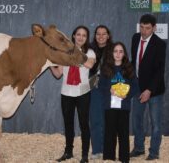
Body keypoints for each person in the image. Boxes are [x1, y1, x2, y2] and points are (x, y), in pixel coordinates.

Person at [50, 25, 96, 163]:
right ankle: (68, 152)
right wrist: (50, 62)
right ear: (74, 36)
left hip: (83, 93)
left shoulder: (90, 52)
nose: (81, 37)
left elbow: (89, 65)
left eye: (84, 35)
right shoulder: (64, 52)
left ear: (86, 38)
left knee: (84, 124)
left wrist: (74, 54)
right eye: (78, 34)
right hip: (66, 92)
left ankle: (84, 156)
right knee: (68, 124)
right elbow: (58, 74)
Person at [130, 14, 166, 160]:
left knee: (155, 123)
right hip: (137, 86)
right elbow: (134, 62)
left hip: (155, 90)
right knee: (136, 120)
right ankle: (139, 148)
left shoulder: (160, 44)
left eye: (148, 28)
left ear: (154, 28)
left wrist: (149, 90)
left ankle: (154, 152)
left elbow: (159, 70)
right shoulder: (135, 37)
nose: (144, 31)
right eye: (142, 27)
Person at [99, 42, 136, 163]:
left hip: (124, 106)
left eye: (121, 51)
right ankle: (109, 158)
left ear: (124, 54)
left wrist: (127, 95)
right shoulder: (106, 68)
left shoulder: (129, 69)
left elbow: (135, 87)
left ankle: (124, 159)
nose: (118, 54)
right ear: (111, 53)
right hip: (109, 106)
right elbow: (101, 86)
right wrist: (108, 90)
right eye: (115, 51)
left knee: (123, 134)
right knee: (109, 133)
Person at [89, 25, 113, 159]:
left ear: (108, 35)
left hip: (110, 88)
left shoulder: (116, 48)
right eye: (98, 34)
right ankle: (97, 150)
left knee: (109, 120)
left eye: (104, 34)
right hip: (94, 87)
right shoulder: (89, 49)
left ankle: (107, 150)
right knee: (96, 119)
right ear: (95, 35)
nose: (101, 36)